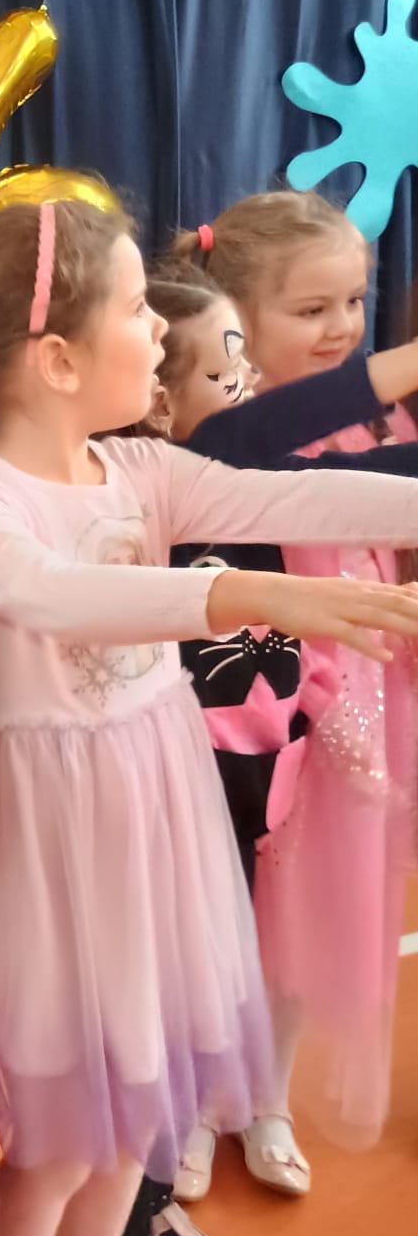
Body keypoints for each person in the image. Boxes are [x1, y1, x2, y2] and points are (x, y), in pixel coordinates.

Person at [0, 199, 418, 1236]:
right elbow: (56, 596)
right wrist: (248, 591)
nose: (163, 336)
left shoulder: (140, 470)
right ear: (58, 357)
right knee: (63, 1125)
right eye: (135, 310)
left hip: (156, 811)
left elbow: (294, 489)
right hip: (56, 843)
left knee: (143, 1087)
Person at [163, 193, 418, 1173]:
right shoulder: (222, 427)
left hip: (357, 701)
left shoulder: (370, 425)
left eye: (354, 301)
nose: (343, 327)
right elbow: (278, 456)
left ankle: (266, 1094)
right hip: (247, 718)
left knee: (318, 907)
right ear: (235, 314)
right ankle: (196, 1096)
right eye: (312, 309)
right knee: (216, 910)